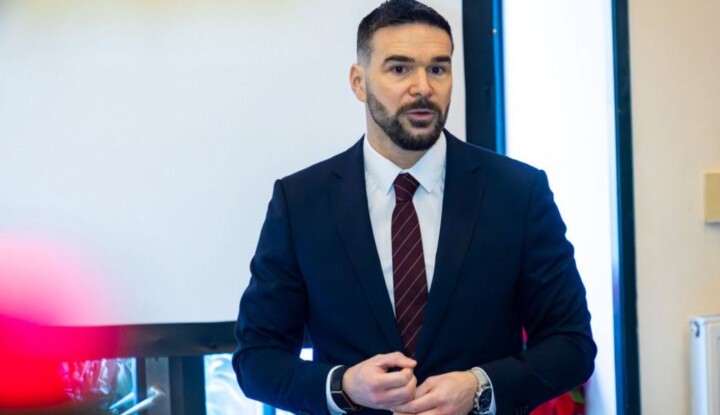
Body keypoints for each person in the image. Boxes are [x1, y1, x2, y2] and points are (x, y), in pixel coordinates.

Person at [233, 1, 596, 414]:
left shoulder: (518, 192)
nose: (422, 87)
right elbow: (256, 358)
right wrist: (344, 386)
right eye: (399, 69)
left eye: (437, 69)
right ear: (358, 82)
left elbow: (572, 344)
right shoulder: (301, 201)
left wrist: (479, 387)